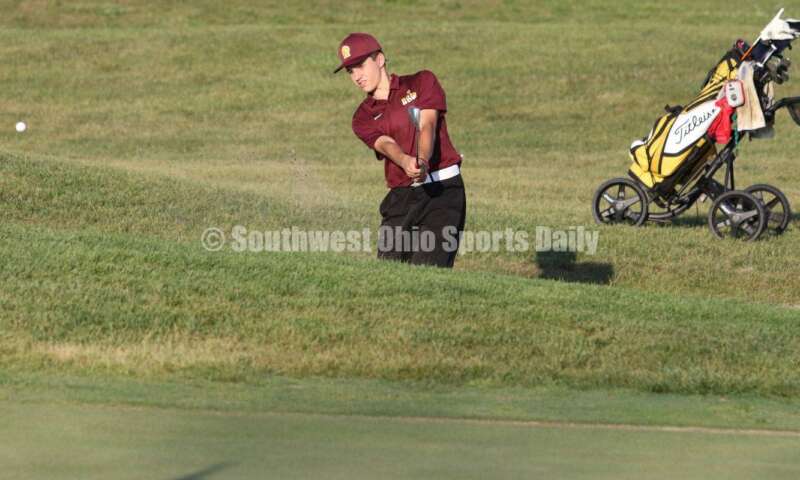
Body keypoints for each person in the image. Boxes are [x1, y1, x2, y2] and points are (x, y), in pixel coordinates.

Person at [334, 32, 466, 268]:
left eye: (360, 66)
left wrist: (422, 160)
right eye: (350, 71)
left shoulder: (422, 82)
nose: (356, 76)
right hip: (401, 198)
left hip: (443, 194)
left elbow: (428, 125)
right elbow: (385, 144)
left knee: (428, 274)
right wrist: (406, 161)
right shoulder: (362, 117)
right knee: (387, 275)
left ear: (380, 59)